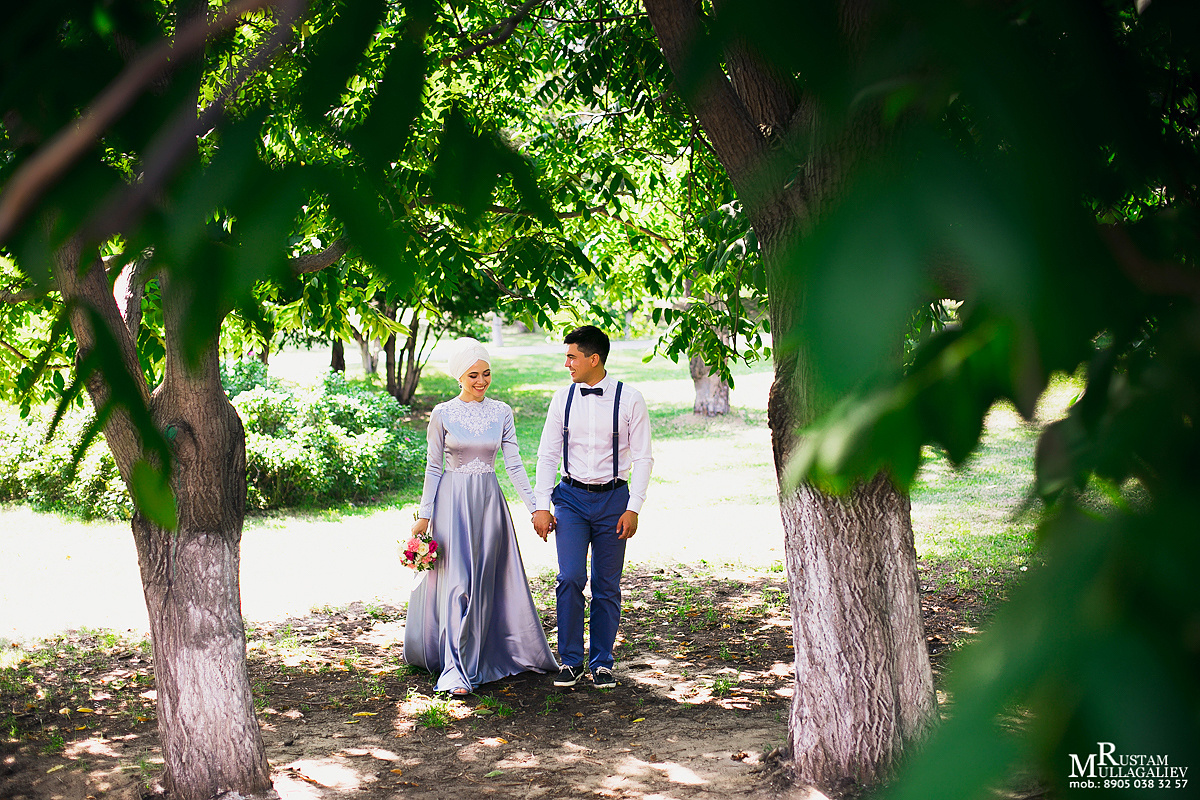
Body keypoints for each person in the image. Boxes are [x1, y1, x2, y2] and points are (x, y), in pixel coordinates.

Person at [403, 338, 558, 696]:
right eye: (473, 374)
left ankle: (495, 650)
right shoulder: (442, 414)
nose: (481, 381)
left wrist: (536, 506)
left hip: (489, 505)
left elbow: (514, 464)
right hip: (452, 505)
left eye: (486, 373)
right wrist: (424, 516)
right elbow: (433, 466)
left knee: (486, 578)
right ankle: (457, 668)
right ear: (459, 376)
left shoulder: (502, 411)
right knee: (458, 583)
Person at [533, 326, 654, 689]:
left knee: (606, 584)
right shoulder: (562, 398)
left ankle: (602, 661)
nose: (566, 363)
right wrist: (541, 506)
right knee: (569, 577)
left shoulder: (630, 399)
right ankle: (570, 660)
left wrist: (634, 507)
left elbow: (645, 457)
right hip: (570, 498)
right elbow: (547, 453)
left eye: (572, 357)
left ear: (593, 359)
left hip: (614, 500)